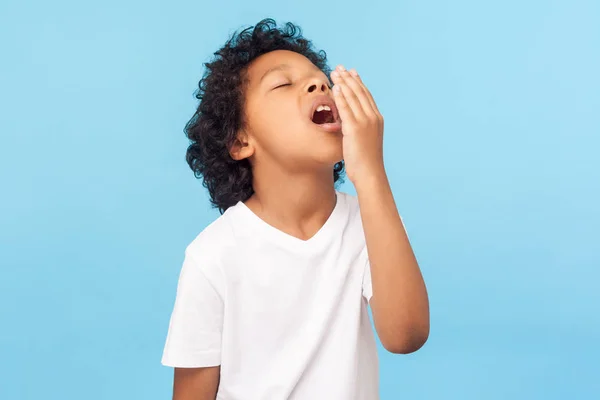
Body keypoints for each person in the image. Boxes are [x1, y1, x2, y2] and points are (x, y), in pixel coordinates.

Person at [161, 18, 430, 400]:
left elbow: (406, 335)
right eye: (283, 84)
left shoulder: (372, 220)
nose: (320, 84)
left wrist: (370, 173)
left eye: (321, 79)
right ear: (240, 141)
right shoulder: (213, 257)